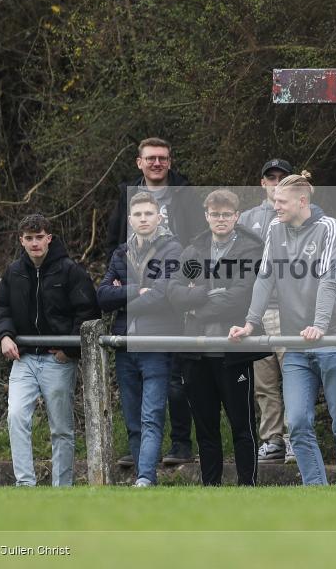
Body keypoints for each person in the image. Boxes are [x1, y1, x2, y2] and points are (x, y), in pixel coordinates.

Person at [229, 171, 336, 485]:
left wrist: (319, 325)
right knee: (299, 421)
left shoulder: (329, 228)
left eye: (281, 201)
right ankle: (316, 488)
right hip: (296, 344)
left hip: (333, 338)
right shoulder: (275, 229)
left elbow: (330, 280)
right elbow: (265, 278)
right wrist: (251, 322)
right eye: (274, 200)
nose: (275, 206)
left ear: (302, 201)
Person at [105, 137, 205, 466]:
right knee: (137, 385)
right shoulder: (128, 195)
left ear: (170, 161)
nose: (156, 163)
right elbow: (114, 240)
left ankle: (180, 444)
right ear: (139, 162)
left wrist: (189, 280)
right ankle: (141, 452)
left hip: (177, 288)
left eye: (162, 158)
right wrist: (122, 283)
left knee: (176, 378)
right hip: (135, 281)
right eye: (150, 158)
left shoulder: (184, 194)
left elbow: (198, 239)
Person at [168, 189, 267, 485]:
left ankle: (247, 485)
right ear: (206, 215)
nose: (220, 219)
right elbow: (173, 293)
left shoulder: (250, 249)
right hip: (196, 352)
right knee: (206, 426)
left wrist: (196, 306)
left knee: (242, 424)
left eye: (226, 214)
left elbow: (241, 296)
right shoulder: (194, 249)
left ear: (236, 216)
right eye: (215, 214)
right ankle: (211, 486)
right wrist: (204, 295)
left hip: (233, 349)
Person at [0, 213, 98, 487]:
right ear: (22, 241)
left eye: (39, 237)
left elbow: (87, 313)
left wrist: (70, 351)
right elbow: (2, 308)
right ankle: (25, 485)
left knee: (61, 428)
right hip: (24, 358)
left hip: (58, 361)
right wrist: (4, 336)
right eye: (29, 238)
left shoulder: (70, 271)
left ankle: (61, 488)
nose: (35, 243)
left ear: (49, 238)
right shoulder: (13, 272)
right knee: (16, 416)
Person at [98, 192, 184, 487]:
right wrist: (137, 291)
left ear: (159, 217)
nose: (143, 219)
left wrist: (124, 292)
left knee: (151, 414)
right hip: (124, 345)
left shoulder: (173, 249)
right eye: (138, 215)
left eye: (149, 214)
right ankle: (142, 476)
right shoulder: (120, 253)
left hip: (157, 344)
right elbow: (103, 296)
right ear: (131, 220)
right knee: (133, 419)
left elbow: (163, 296)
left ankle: (146, 476)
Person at [238, 158, 294, 463]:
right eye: (270, 177)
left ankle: (294, 437)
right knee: (264, 382)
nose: (275, 182)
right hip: (257, 312)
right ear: (262, 182)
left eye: (281, 178)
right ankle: (273, 439)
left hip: (290, 310)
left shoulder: (300, 213)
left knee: (295, 376)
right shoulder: (247, 218)